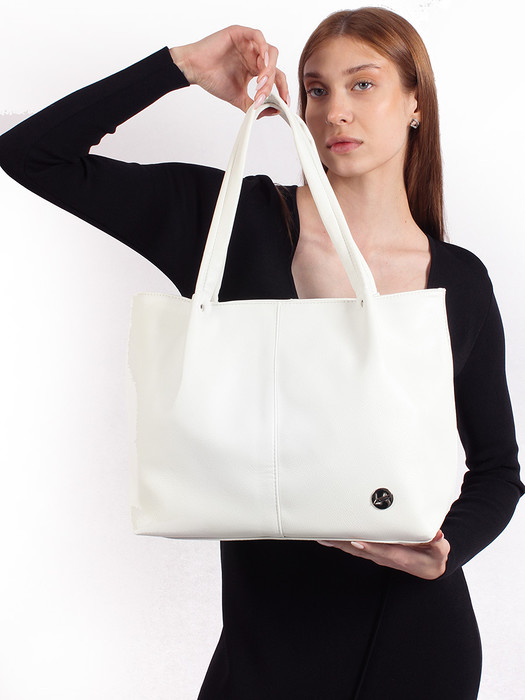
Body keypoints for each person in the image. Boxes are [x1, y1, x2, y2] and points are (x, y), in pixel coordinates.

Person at [0, 7, 523, 699]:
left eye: (362, 84)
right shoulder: (230, 222)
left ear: (415, 102)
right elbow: (31, 154)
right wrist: (180, 66)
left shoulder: (457, 279)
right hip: (266, 648)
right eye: (316, 89)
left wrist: (445, 551)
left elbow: (497, 468)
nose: (335, 110)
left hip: (419, 644)